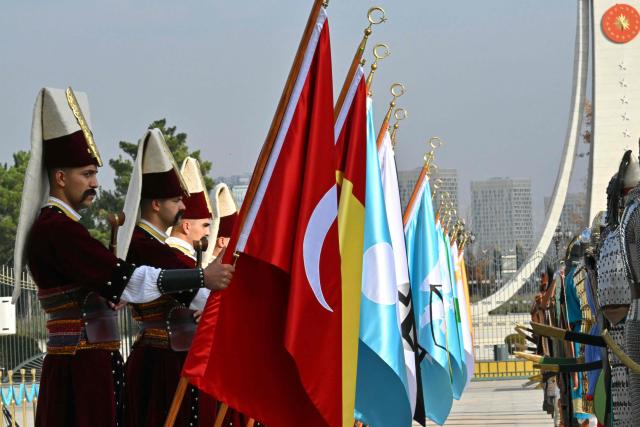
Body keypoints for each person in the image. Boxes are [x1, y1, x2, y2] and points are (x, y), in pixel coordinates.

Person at [12, 87, 235, 426]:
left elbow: (112, 283)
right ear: (60, 178)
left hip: (87, 363)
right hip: (81, 367)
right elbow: (125, 281)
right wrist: (201, 277)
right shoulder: (58, 229)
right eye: (87, 174)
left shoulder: (63, 228)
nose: (96, 183)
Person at [120, 130, 215, 426]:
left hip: (165, 357)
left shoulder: (153, 245)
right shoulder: (144, 245)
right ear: (156, 204)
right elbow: (201, 293)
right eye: (176, 200)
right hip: (161, 362)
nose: (183, 206)